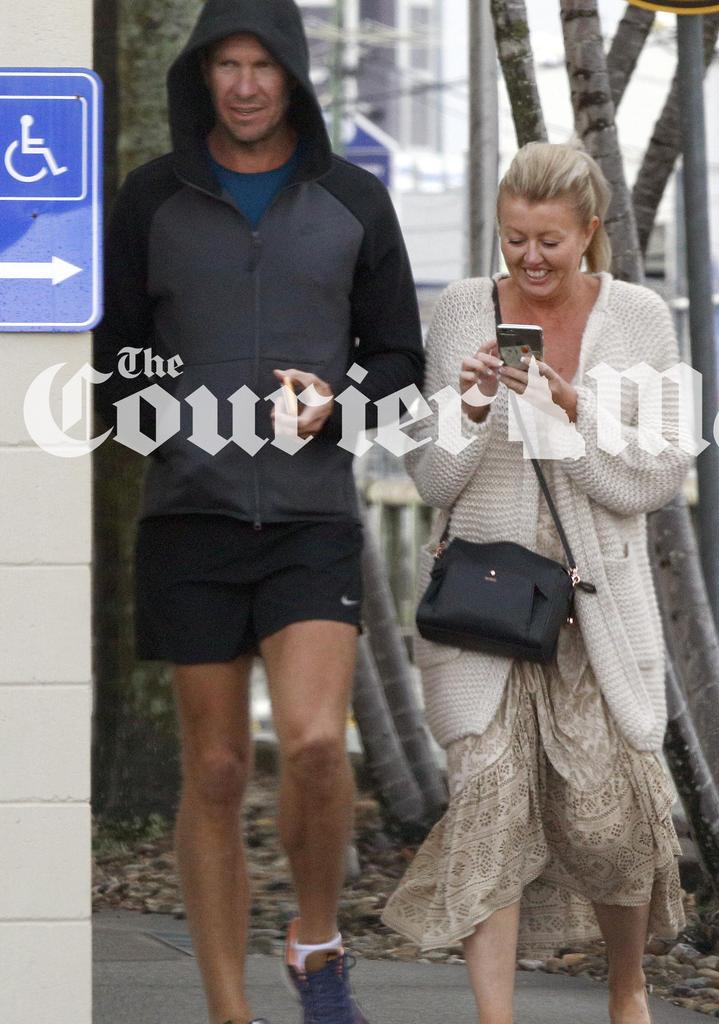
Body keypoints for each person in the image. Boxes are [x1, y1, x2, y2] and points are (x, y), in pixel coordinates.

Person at [93, 2, 424, 1023]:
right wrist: (169, 417)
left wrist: (340, 406)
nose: (243, 84)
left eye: (262, 65)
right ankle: (228, 1007)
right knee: (219, 766)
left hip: (307, 514)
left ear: (294, 77)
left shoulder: (353, 199)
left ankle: (315, 940)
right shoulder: (150, 198)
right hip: (188, 518)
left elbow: (401, 364)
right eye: (225, 65)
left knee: (320, 744)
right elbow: (112, 361)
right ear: (201, 75)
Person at [382, 142, 690, 1024]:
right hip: (483, 604)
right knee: (487, 805)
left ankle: (626, 991)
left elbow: (655, 475)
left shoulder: (638, 317)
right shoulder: (459, 312)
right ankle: (496, 1017)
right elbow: (433, 479)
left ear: (590, 232)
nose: (529, 259)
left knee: (609, 818)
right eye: (515, 239)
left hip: (595, 607)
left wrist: (573, 408)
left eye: (549, 241)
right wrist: (474, 407)